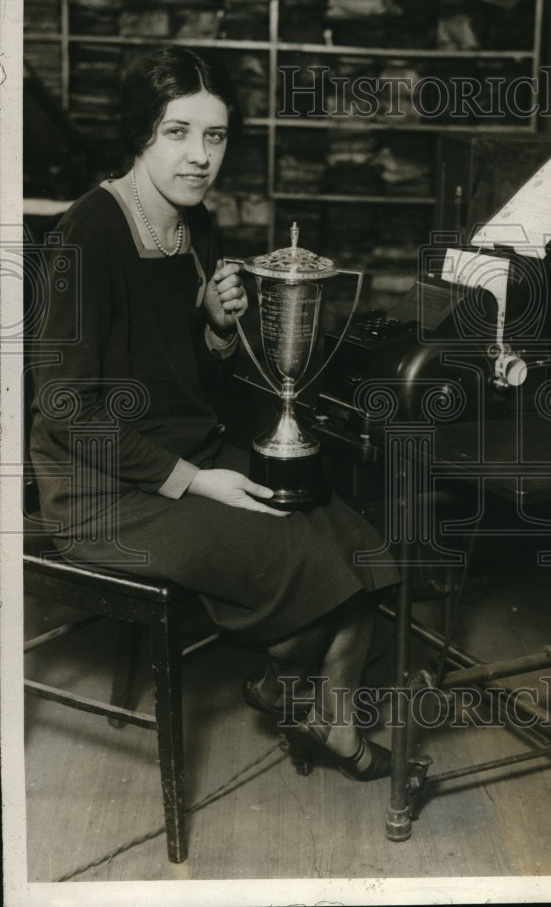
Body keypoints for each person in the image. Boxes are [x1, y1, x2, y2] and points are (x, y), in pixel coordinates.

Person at [28, 45, 398, 780]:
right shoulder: (86, 235)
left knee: (361, 549)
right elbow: (67, 407)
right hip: (103, 491)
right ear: (140, 133)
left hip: (185, 448)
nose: (199, 157)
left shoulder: (196, 224)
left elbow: (181, 377)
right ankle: (315, 714)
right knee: (308, 566)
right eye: (177, 132)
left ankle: (291, 697)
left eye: (215, 136)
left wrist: (215, 328)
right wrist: (195, 481)